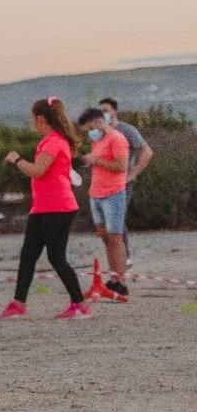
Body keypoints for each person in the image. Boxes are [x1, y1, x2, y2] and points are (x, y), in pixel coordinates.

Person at [0, 98, 88, 320]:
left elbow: (38, 170)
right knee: (28, 255)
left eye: (33, 119)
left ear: (40, 119)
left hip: (58, 207)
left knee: (56, 257)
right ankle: (19, 302)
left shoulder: (54, 142)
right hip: (42, 207)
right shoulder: (50, 141)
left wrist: (16, 160)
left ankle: (79, 303)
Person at [78, 107, 131, 300]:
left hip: (113, 194)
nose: (89, 132)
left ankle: (121, 282)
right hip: (96, 193)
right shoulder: (97, 140)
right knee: (105, 236)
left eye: (89, 127)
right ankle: (113, 278)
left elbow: (121, 166)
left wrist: (97, 161)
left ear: (98, 122)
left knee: (116, 238)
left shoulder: (117, 139)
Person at [99, 98, 153, 271]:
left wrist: (134, 173)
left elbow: (146, 151)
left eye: (106, 110)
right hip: (104, 183)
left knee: (117, 216)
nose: (103, 114)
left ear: (115, 111)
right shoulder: (101, 132)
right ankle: (117, 256)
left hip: (122, 182)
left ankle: (125, 256)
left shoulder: (127, 130)